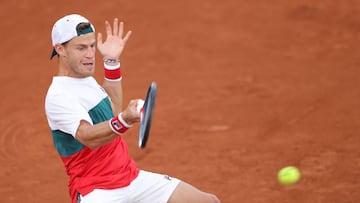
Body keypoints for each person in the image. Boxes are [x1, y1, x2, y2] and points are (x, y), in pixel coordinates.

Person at [45, 14, 220, 203]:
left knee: (208, 201)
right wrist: (124, 120)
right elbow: (87, 137)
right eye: (81, 48)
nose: (90, 54)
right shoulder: (59, 96)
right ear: (60, 49)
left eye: (92, 46)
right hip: (96, 191)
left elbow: (111, 110)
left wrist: (111, 61)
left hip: (129, 178)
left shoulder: (85, 79)